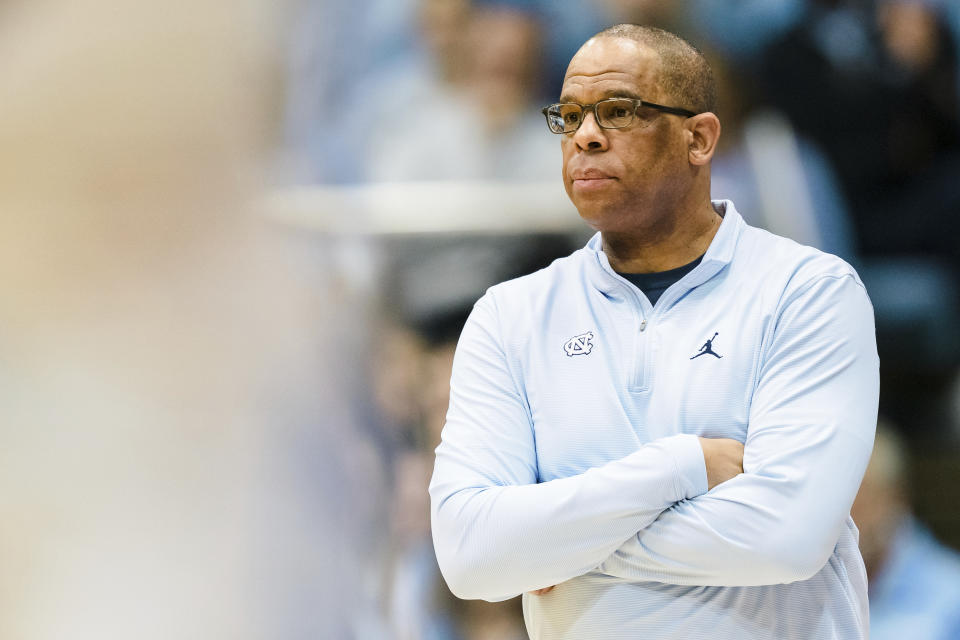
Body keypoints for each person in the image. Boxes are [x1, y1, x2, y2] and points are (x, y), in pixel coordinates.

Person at [429, 23, 880, 639]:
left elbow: (785, 537)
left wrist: (556, 542)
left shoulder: (808, 292)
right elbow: (469, 556)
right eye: (568, 116)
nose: (585, 136)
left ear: (699, 138)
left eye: (618, 112)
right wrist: (678, 468)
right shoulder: (511, 315)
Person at [851, 423, 960, 640]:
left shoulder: (953, 593)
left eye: (861, 503)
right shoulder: (803, 586)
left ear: (896, 498)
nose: (850, 523)